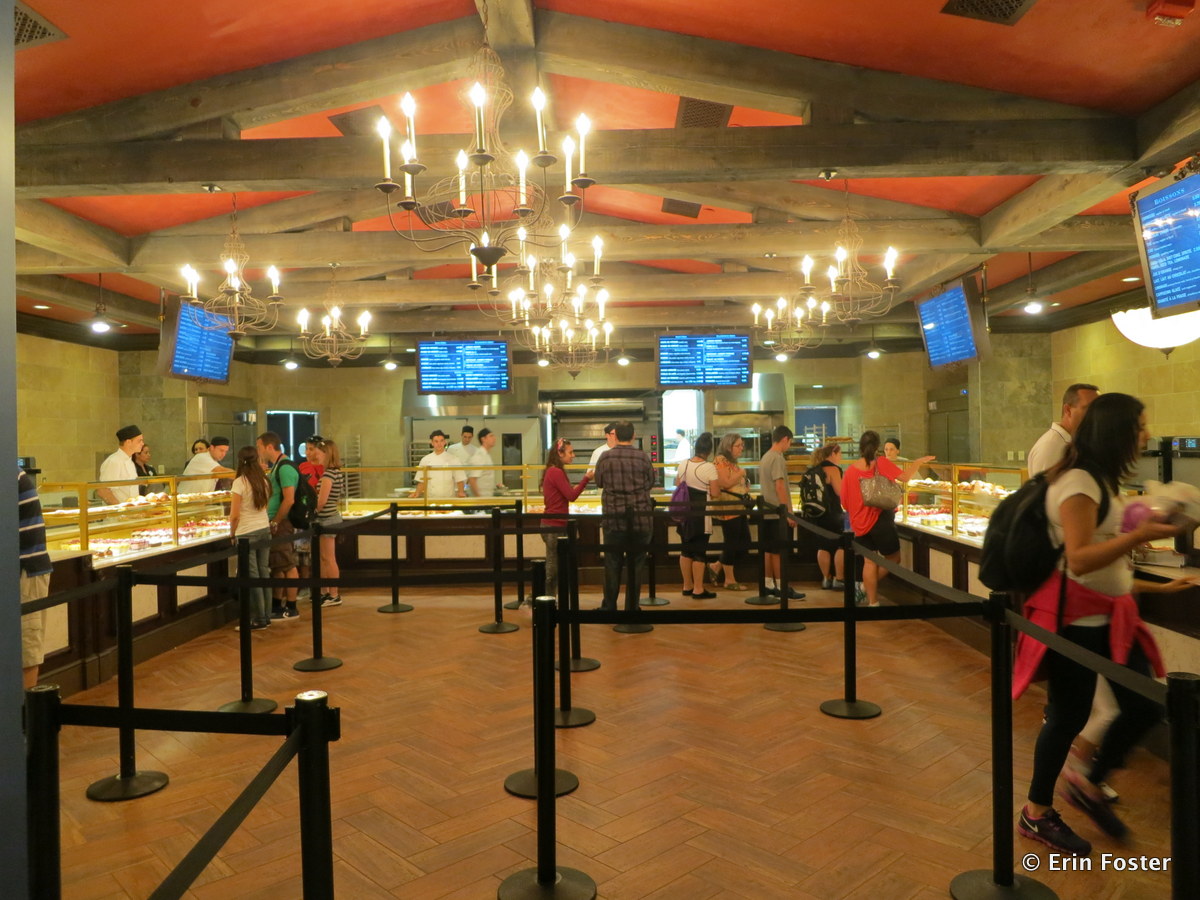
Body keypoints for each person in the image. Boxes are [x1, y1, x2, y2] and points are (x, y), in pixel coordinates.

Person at [1013, 392, 1194, 857]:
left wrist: (1151, 580)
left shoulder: (1100, 479)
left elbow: (1105, 561)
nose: (1147, 434)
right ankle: (1036, 811)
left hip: (1110, 616)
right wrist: (1138, 535)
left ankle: (1086, 782)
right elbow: (1079, 559)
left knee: (1143, 705)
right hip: (1075, 620)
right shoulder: (1078, 481)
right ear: (1118, 432)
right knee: (1068, 716)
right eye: (1140, 426)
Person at [841, 431, 935, 607]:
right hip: (880, 519)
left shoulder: (850, 471)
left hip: (859, 523)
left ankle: (873, 601)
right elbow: (905, 478)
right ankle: (865, 589)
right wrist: (917, 463)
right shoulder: (881, 463)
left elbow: (844, 501)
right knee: (893, 558)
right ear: (878, 447)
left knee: (869, 561)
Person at [593, 421, 655, 612]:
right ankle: (632, 608)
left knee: (612, 563)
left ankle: (609, 607)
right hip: (641, 519)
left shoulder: (605, 457)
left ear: (616, 436)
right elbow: (650, 483)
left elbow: (599, 482)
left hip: (613, 519)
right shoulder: (643, 457)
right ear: (633, 436)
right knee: (636, 565)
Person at [256, 431, 301, 621]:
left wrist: (276, 521)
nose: (258, 451)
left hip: (282, 523)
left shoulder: (285, 467)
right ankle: (277, 604)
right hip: (276, 522)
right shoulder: (277, 466)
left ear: (269, 446)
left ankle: (291, 606)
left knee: (287, 564)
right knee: (278, 564)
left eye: (259, 447)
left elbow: (289, 499)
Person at [228, 446, 273, 630]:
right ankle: (266, 614)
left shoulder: (239, 482)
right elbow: (264, 507)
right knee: (264, 572)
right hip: (264, 529)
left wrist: (232, 533)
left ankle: (258, 618)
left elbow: (234, 515)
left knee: (252, 576)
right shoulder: (264, 480)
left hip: (246, 533)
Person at [757, 425, 803, 600]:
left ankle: (768, 584)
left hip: (767, 511)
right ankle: (782, 587)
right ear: (785, 439)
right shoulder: (777, 458)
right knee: (778, 551)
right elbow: (780, 486)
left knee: (768, 550)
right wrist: (787, 512)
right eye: (789, 442)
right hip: (777, 512)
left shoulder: (765, 457)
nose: (789, 446)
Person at [541, 439, 591, 595]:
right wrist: (586, 479)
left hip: (553, 523)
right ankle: (544, 600)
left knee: (554, 564)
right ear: (560, 453)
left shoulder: (552, 470)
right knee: (553, 567)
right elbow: (571, 496)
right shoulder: (556, 472)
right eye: (570, 452)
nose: (573, 455)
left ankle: (549, 599)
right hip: (554, 525)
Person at [19, 466, 54, 688]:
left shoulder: (8, 473)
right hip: (20, 570)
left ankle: (24, 708)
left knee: (26, 652)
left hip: (25, 572)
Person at [674, 431, 719, 599]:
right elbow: (715, 493)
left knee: (686, 549)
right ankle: (698, 589)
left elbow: (678, 484)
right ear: (709, 451)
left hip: (684, 513)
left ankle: (687, 585)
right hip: (701, 514)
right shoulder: (709, 467)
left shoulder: (683, 464)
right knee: (700, 550)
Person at [1027, 383, 1100, 476]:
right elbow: (1048, 485)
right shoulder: (1051, 447)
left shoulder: (1077, 442)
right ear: (1068, 410)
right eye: (1088, 409)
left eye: (1099, 410)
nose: (1097, 415)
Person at [709, 433, 752, 591]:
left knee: (745, 542)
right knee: (732, 542)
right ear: (728, 446)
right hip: (727, 507)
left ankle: (716, 565)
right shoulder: (720, 460)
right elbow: (725, 483)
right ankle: (729, 580)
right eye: (738, 445)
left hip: (738, 507)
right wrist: (741, 473)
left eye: (742, 445)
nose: (741, 448)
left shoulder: (732, 462)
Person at [311, 439, 344, 607]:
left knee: (329, 558)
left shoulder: (328, 475)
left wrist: (311, 511)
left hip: (327, 519)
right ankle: (324, 591)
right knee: (324, 558)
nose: (316, 456)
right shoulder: (335, 472)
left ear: (326, 454)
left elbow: (322, 501)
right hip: (329, 518)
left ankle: (334, 594)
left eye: (319, 453)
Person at [810, 442, 846, 590]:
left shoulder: (815, 468)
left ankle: (826, 579)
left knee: (823, 546)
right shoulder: (834, 469)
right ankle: (839, 579)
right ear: (833, 454)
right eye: (839, 454)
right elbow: (840, 492)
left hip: (818, 513)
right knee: (841, 544)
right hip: (833, 513)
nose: (840, 457)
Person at [296, 435, 326, 602]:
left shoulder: (325, 468)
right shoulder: (302, 466)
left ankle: (322, 586)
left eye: (311, 449)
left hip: (321, 514)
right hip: (304, 514)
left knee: (322, 553)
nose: (308, 452)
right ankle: (305, 585)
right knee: (303, 552)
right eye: (306, 449)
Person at [412, 430, 467, 499]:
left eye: (441, 441)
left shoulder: (454, 459)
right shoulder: (425, 460)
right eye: (436, 441)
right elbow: (422, 481)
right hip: (430, 499)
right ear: (432, 443)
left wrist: (461, 492)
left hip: (448, 498)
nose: (439, 444)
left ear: (444, 442)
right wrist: (417, 493)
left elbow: (460, 479)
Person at [97, 424, 144, 505]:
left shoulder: (130, 462)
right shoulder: (113, 461)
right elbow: (103, 490)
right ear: (128, 442)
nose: (142, 444)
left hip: (131, 510)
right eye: (139, 441)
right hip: (118, 512)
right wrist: (119, 508)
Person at [466, 427, 498, 498]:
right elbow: (472, 480)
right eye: (491, 436)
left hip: (487, 497)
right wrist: (479, 498)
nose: (494, 438)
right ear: (483, 439)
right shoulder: (479, 456)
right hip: (480, 499)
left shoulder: (487, 455)